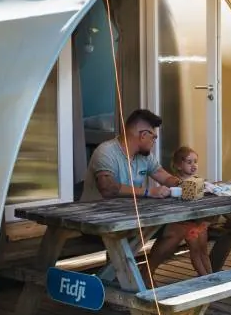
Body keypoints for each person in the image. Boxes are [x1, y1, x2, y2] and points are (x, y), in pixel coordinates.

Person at [80, 109, 185, 280]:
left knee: (178, 230)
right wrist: (148, 192)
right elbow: (107, 188)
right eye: (153, 137)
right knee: (125, 236)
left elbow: (164, 176)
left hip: (130, 218)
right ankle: (117, 285)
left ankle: (146, 274)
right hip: (96, 220)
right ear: (143, 135)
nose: (154, 141)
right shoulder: (106, 151)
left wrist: (187, 184)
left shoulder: (145, 157)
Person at [170, 145, 212, 276]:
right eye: (189, 162)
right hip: (187, 223)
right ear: (178, 166)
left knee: (204, 250)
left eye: (195, 162)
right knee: (195, 251)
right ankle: (204, 277)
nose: (193, 165)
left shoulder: (197, 180)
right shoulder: (177, 183)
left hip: (200, 221)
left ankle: (211, 275)